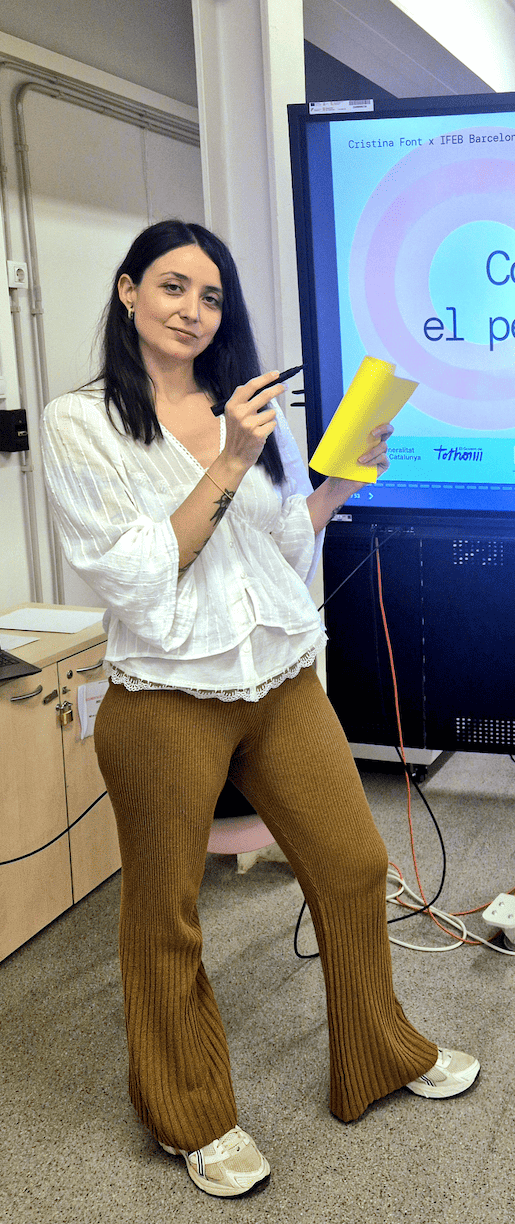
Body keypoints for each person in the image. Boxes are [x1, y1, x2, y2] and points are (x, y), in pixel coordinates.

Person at [40, 219, 478, 1199]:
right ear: (127, 292)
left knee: (354, 867)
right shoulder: (81, 424)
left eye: (211, 296)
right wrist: (230, 461)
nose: (194, 311)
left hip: (278, 678)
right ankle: (189, 1114)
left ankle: (380, 1053)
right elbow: (136, 576)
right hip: (165, 694)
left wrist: (335, 484)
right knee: (166, 911)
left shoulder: (240, 405)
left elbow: (281, 545)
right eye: (172, 287)